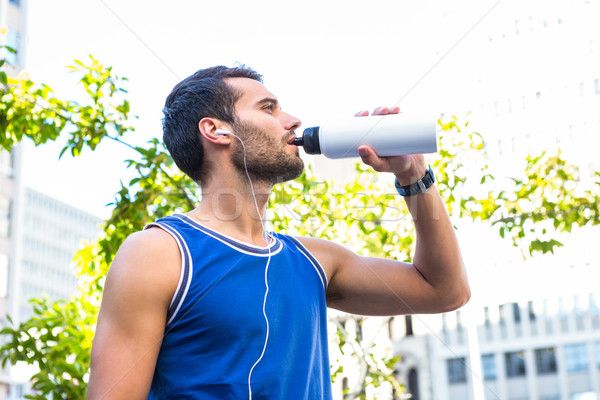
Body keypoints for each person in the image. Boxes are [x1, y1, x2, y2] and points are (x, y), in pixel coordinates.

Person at [87, 65, 470, 400]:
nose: (292, 120)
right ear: (216, 130)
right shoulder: (160, 253)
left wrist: (413, 175)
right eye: (268, 108)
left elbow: (446, 291)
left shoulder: (316, 262)